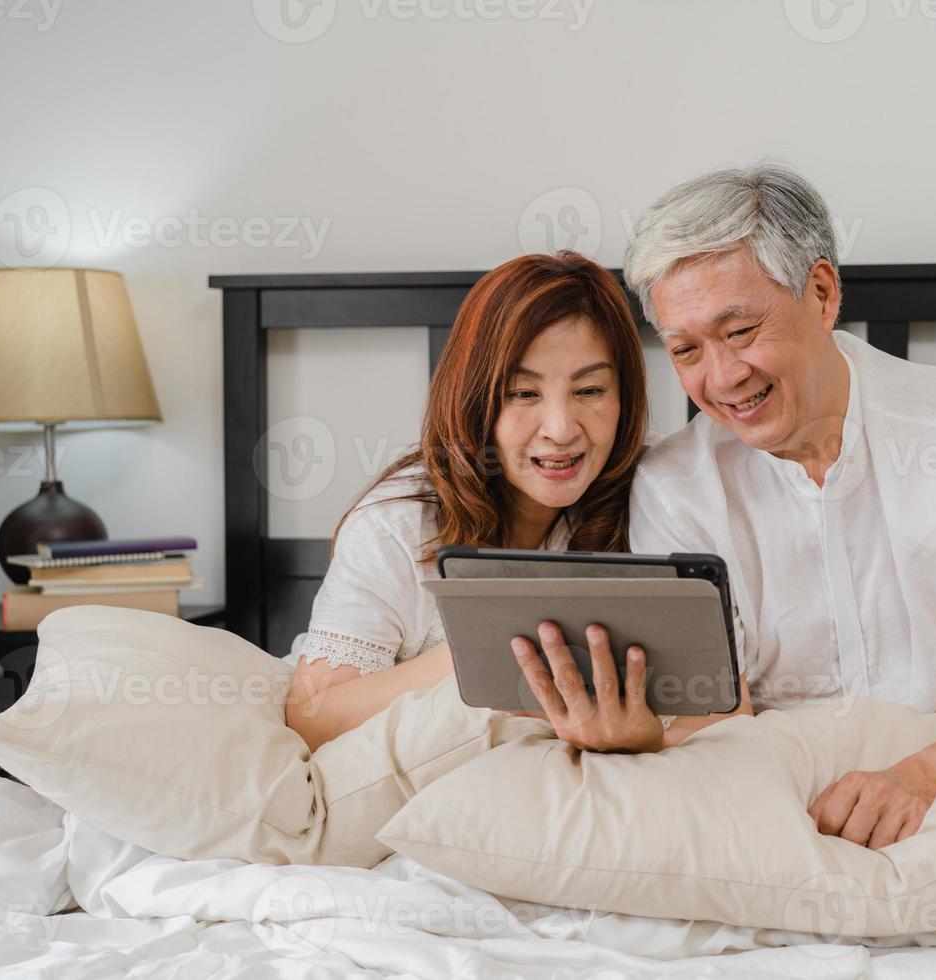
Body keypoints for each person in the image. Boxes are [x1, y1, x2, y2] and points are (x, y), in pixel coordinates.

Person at [513, 163, 936, 848]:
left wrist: (923, 776)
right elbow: (720, 719)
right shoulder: (674, 484)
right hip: (794, 806)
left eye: (741, 331)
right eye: (686, 350)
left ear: (823, 292)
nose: (721, 379)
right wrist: (643, 736)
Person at [285, 251, 751, 753]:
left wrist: (646, 741)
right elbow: (312, 715)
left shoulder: (662, 492)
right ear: (473, 398)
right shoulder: (399, 522)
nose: (560, 430)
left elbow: (726, 712)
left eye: (590, 389)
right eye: (523, 394)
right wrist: (495, 646)